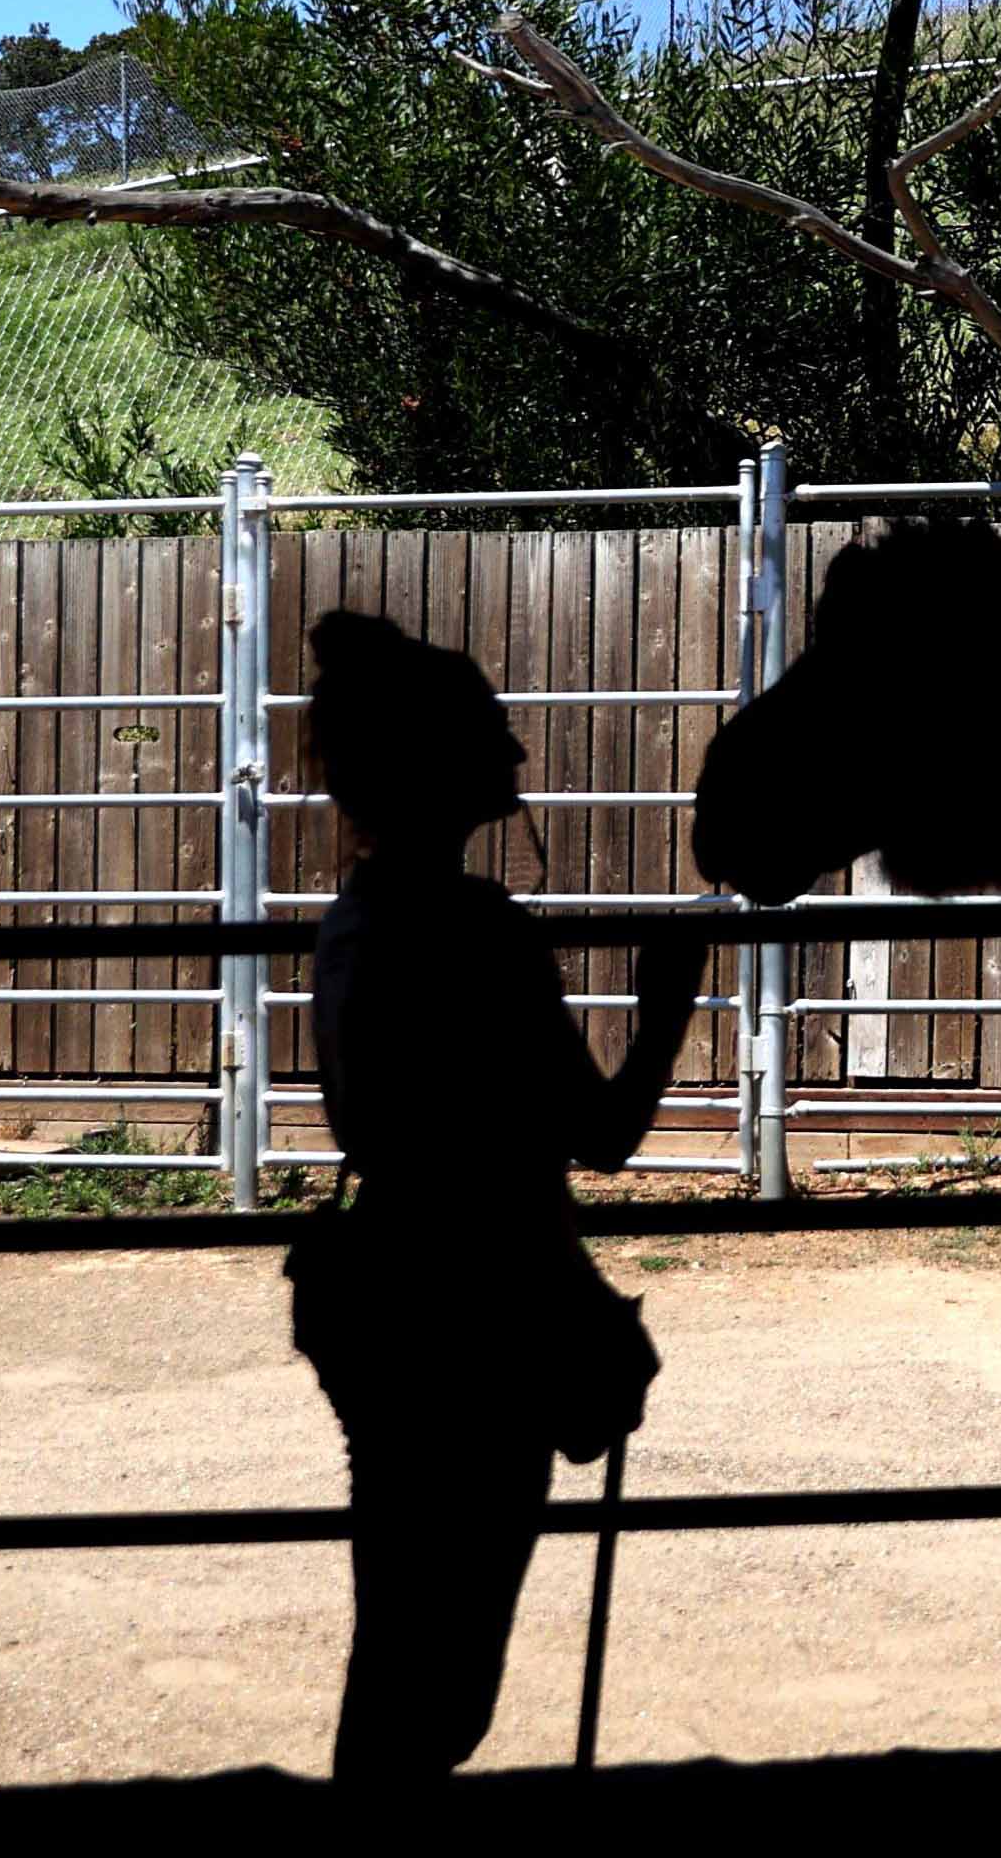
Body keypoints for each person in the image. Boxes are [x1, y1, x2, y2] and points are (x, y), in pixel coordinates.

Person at [289, 611, 709, 1786]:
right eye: (490, 731)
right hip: (484, 1317)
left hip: (394, 1299)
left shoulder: (354, 920)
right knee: (446, 1668)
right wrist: (666, 1009)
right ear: (437, 763)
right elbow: (605, 1136)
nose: (516, 752)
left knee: (401, 1637)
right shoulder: (478, 930)